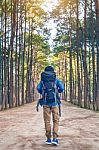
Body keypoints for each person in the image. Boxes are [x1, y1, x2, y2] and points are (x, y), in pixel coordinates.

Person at [36, 66, 64, 146]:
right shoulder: (56, 80)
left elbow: (38, 88)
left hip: (45, 103)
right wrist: (57, 91)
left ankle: (48, 139)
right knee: (56, 120)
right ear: (52, 72)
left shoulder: (43, 81)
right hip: (55, 103)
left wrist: (43, 92)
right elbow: (62, 88)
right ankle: (55, 139)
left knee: (47, 121)